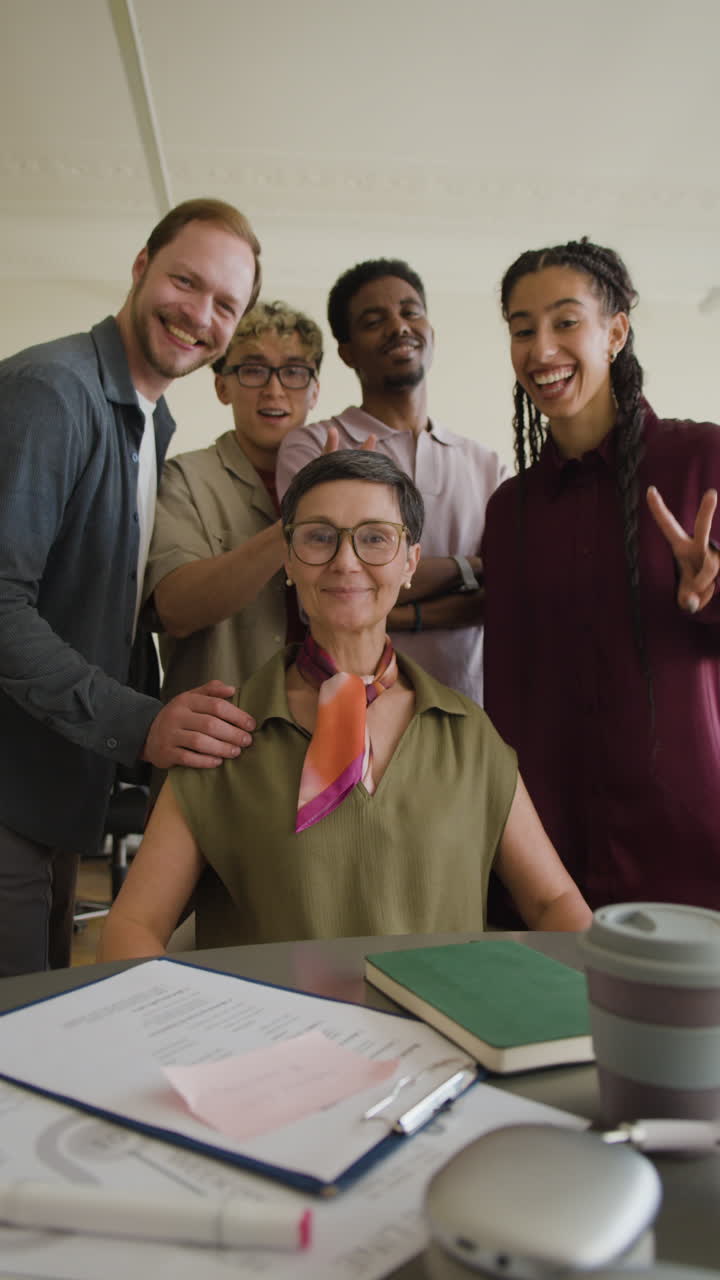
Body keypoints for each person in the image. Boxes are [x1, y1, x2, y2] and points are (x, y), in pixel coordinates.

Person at [98, 451, 591, 961]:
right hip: (276, 1038)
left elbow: (553, 901)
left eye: (375, 537)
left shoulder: (467, 734)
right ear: (287, 560)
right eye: (320, 536)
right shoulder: (224, 734)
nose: (346, 561)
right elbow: (134, 923)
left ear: (409, 564)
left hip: (439, 1033)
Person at [0, 197, 262, 976]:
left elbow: (102, 610)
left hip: (52, 790)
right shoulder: (54, 390)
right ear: (142, 267)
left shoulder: (153, 425)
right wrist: (143, 725)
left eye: (225, 305)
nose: (199, 316)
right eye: (187, 282)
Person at [482, 236, 720, 919]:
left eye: (564, 321)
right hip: (546, 858)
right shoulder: (510, 510)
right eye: (521, 330)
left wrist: (712, 590)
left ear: (614, 331)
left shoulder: (702, 460)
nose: (541, 349)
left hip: (691, 847)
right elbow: (508, 687)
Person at [276, 258, 507, 704]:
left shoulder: (487, 465)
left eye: (410, 311)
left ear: (432, 332)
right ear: (346, 351)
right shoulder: (315, 447)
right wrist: (471, 567)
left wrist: (383, 606)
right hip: (350, 715)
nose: (399, 327)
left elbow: (501, 600)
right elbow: (321, 593)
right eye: (373, 320)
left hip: (469, 716)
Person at [143, 300, 322, 706]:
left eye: (294, 372)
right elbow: (176, 609)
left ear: (314, 391)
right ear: (222, 386)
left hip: (324, 738)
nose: (274, 389)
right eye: (253, 370)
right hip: (213, 739)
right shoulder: (184, 479)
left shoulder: (346, 483)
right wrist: (302, 520)